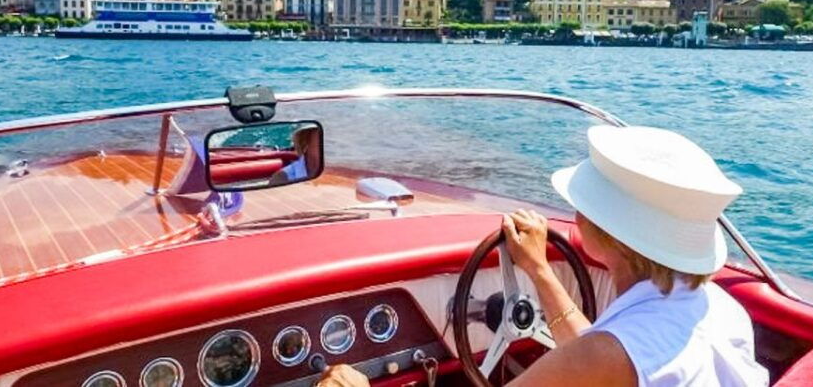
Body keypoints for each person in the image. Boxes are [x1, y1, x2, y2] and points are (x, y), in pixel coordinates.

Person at [317, 125, 769, 387]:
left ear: (606, 231)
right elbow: (599, 355)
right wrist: (536, 267)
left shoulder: (609, 355)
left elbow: (599, 357)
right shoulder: (722, 311)